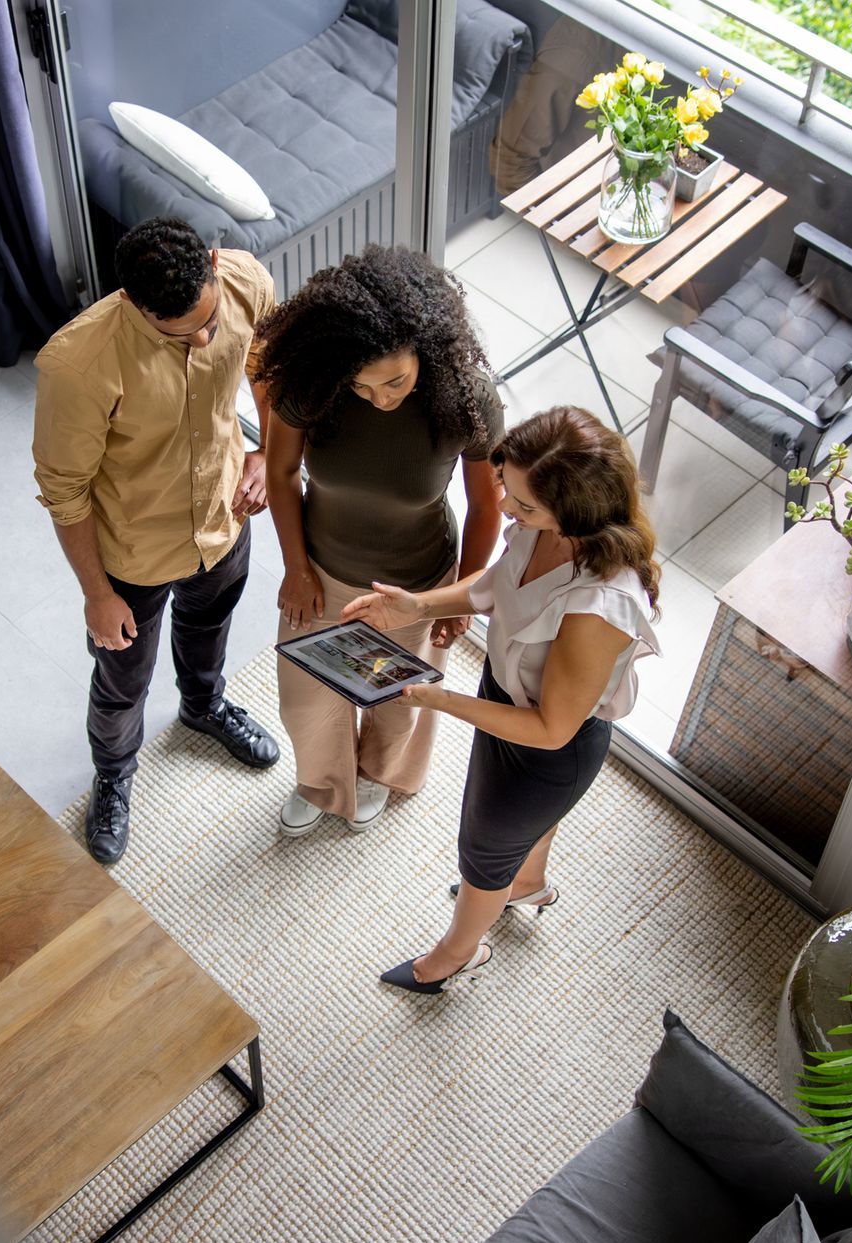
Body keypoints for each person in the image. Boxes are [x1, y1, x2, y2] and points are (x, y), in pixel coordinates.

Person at [342, 406, 661, 994]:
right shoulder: (543, 528)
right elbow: (494, 587)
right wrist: (421, 605)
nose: (508, 512)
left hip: (548, 748)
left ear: (578, 509)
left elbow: (550, 729)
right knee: (516, 838)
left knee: (483, 849)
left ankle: (457, 954)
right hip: (505, 699)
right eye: (508, 494)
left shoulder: (600, 605)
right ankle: (527, 884)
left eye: (524, 506)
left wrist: (439, 700)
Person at [33, 217, 282, 866]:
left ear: (210, 260)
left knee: (210, 627)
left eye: (209, 321)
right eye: (185, 333)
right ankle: (113, 775)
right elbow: (65, 491)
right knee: (123, 683)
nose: (206, 337)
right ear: (135, 305)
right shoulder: (78, 365)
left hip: (224, 521)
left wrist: (265, 452)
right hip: (133, 556)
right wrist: (95, 594)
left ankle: (204, 707)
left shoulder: (243, 279)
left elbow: (269, 360)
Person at [251, 246, 504, 836]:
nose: (381, 398)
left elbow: (488, 504)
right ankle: (320, 781)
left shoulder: (466, 400)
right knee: (307, 698)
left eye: (394, 381)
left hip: (416, 581)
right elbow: (283, 473)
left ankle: (379, 775)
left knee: (395, 698)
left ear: (425, 348)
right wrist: (296, 567)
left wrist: (462, 595)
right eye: (363, 388)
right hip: (321, 565)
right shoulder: (312, 384)